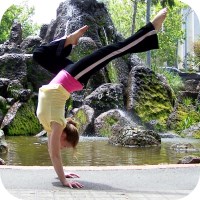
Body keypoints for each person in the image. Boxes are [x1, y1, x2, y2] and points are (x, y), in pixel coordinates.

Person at [33, 8, 167, 188]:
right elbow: (55, 154)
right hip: (73, 77)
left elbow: (53, 155)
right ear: (64, 134)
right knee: (110, 51)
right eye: (66, 146)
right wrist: (64, 178)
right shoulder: (57, 124)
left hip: (68, 76)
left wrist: (63, 177)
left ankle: (70, 41)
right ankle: (151, 30)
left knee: (40, 54)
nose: (61, 148)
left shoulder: (52, 127)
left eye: (64, 147)